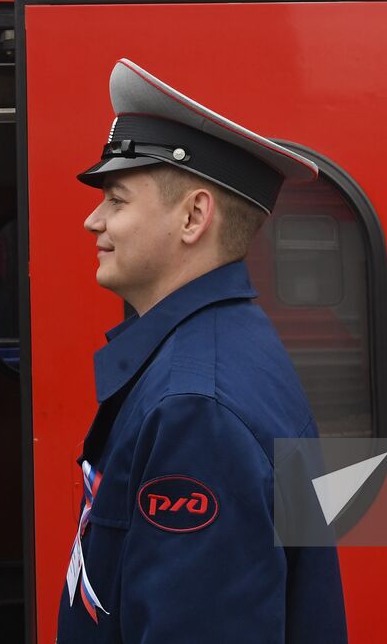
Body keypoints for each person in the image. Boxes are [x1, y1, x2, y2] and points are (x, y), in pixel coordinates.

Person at [56, 59, 348, 643]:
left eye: (117, 200)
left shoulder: (195, 408)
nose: (93, 220)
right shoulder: (227, 347)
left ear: (193, 216)